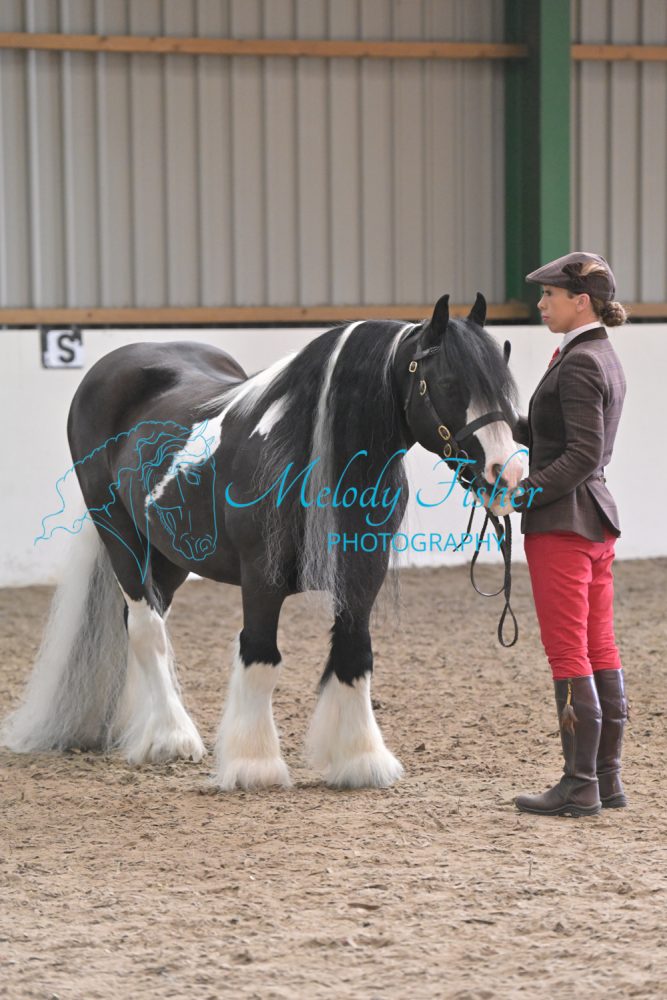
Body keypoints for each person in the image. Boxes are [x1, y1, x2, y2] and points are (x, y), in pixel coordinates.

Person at [510, 251, 629, 817]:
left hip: (563, 524)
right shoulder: (597, 353)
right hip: (594, 521)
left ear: (580, 301)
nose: (541, 304)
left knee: (567, 653)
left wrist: (522, 494)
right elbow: (559, 437)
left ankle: (579, 785)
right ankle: (606, 779)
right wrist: (502, 422)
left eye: (549, 295)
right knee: (599, 647)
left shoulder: (579, 362)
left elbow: (581, 453)